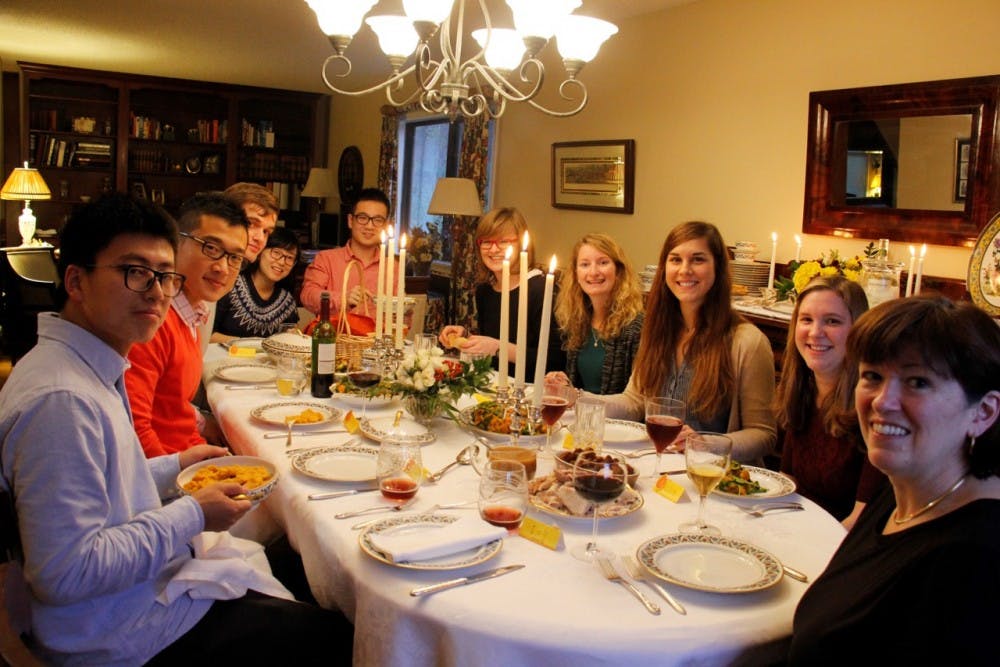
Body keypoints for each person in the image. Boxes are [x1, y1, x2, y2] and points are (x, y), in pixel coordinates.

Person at [0, 193, 352, 665]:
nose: (158, 292)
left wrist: (176, 466)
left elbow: (111, 484)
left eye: (164, 276)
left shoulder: (86, 363)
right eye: (134, 272)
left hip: (136, 588)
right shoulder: (62, 400)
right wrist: (193, 513)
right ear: (76, 280)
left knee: (298, 560)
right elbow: (65, 574)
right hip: (119, 626)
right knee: (338, 636)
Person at [788, 296, 1000, 664]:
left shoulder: (976, 562)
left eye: (918, 381)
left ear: (982, 412)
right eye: (872, 376)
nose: (883, 401)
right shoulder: (899, 492)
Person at [600, 221, 776, 463]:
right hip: (657, 468)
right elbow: (634, 402)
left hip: (712, 479)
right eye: (675, 260)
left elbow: (764, 434)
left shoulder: (747, 342)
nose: (684, 270)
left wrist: (704, 444)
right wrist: (577, 399)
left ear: (718, 268)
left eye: (698, 259)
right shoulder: (658, 330)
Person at [125, 193, 248, 457]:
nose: (223, 268)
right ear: (176, 243)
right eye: (212, 248)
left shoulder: (193, 313)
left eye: (235, 258)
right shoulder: (152, 320)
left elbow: (169, 404)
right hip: (168, 472)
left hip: (187, 452)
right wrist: (181, 486)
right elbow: (135, 430)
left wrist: (201, 424)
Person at [774, 275, 885, 527]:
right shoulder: (802, 391)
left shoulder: (874, 409)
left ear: (857, 330)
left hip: (840, 543)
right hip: (795, 528)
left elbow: (860, 520)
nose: (815, 332)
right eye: (806, 320)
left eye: (832, 321)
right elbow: (786, 483)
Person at [438, 207, 566, 379]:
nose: (493, 249)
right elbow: (493, 346)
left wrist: (499, 348)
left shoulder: (541, 290)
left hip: (531, 391)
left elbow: (555, 360)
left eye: (504, 241)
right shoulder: (485, 291)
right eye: (486, 242)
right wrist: (467, 337)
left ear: (521, 245)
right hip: (493, 385)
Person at [545, 233, 644, 394]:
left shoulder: (636, 327)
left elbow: (636, 402)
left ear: (618, 271)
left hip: (616, 418)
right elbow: (579, 389)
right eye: (584, 264)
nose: (593, 272)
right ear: (576, 274)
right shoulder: (577, 321)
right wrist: (562, 384)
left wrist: (578, 396)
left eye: (603, 263)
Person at [299, 187, 398, 316]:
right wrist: (342, 299)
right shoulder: (326, 259)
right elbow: (308, 295)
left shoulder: (393, 267)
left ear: (386, 225)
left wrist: (405, 310)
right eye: (363, 218)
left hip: (376, 336)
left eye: (378, 220)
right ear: (350, 221)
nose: (369, 226)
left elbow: (401, 320)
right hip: (334, 335)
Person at [211, 226, 301, 343]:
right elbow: (207, 334)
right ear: (260, 253)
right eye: (276, 253)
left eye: (289, 258)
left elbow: (290, 341)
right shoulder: (230, 285)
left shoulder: (287, 302)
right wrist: (250, 344)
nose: (282, 262)